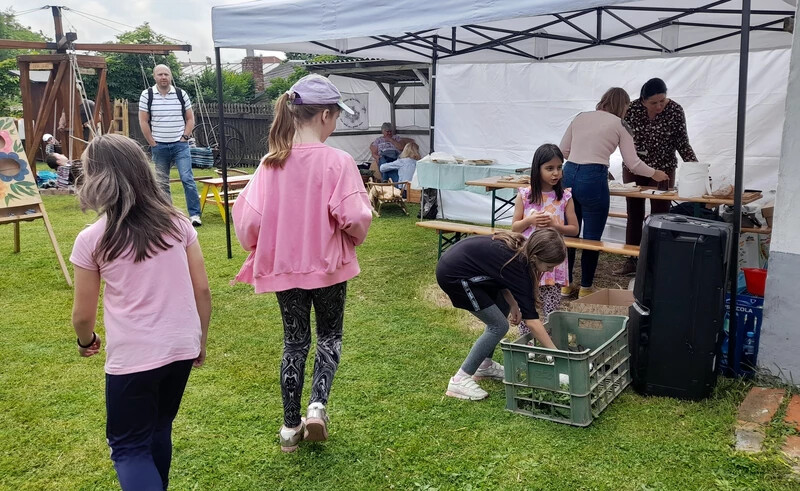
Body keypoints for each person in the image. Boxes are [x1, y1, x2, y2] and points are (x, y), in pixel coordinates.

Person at [232, 74, 372, 453]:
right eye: (337, 115)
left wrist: (259, 246)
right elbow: (356, 217)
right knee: (329, 337)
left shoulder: (270, 162)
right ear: (325, 114)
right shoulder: (338, 162)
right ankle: (317, 407)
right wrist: (352, 237)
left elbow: (246, 219)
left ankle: (290, 428)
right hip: (327, 266)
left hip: (285, 268)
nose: (337, 122)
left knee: (294, 341)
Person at [70, 134, 211, 490]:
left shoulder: (92, 239)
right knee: (159, 428)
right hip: (181, 346)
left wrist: (86, 341)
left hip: (134, 358)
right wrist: (200, 340)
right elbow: (202, 289)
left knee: (129, 446)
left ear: (95, 178)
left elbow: (83, 316)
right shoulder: (178, 223)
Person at [559, 87, 669, 298]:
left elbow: (563, 151)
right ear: (623, 106)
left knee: (570, 231)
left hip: (569, 173)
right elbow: (633, 163)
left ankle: (566, 283)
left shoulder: (580, 117)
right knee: (592, 236)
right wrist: (656, 174)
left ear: (604, 101)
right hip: (594, 177)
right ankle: (585, 287)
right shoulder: (620, 124)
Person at [436, 229, 567, 401]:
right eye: (549, 267)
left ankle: (484, 365)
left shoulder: (521, 252)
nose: (550, 271)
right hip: (454, 275)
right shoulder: (519, 266)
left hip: (468, 270)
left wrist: (513, 304)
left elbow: (499, 274)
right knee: (498, 326)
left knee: (502, 307)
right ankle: (460, 379)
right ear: (535, 257)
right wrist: (556, 353)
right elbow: (532, 321)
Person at [615, 77, 698, 275]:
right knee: (634, 213)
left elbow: (682, 142)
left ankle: (657, 261)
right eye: (654, 102)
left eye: (662, 100)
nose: (659, 106)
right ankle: (632, 260)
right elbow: (620, 138)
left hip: (664, 169)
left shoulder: (675, 110)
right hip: (634, 168)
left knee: (660, 214)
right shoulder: (632, 109)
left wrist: (696, 167)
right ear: (643, 100)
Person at [511, 143, 578, 325]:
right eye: (549, 168)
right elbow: (515, 228)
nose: (556, 173)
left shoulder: (564, 197)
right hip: (529, 258)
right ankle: (527, 344)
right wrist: (529, 221)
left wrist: (558, 226)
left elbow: (574, 229)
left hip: (553, 262)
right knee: (527, 304)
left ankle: (550, 339)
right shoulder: (525, 196)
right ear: (537, 169)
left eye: (559, 168)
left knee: (552, 308)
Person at [138, 64, 202, 226]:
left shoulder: (181, 94)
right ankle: (168, 215)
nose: (163, 77)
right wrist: (152, 142)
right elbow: (143, 121)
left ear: (171, 76)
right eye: (160, 74)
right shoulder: (147, 95)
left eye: (166, 74)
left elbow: (190, 118)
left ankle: (195, 215)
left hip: (180, 145)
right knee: (162, 182)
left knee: (187, 178)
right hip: (159, 145)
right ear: (154, 77)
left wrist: (185, 136)